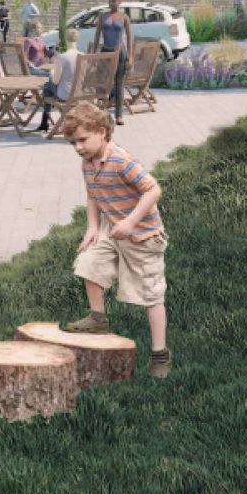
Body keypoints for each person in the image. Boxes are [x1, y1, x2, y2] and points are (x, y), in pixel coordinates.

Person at [59, 102, 171, 380]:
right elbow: (93, 195)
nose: (78, 148)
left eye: (82, 140)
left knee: (150, 294)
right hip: (112, 228)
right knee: (89, 263)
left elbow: (153, 190)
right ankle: (98, 319)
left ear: (101, 132)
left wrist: (131, 221)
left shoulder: (121, 160)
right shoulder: (87, 163)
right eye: (73, 143)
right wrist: (93, 227)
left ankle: (160, 353)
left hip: (142, 235)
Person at [94, 0, 134, 124]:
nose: (112, 3)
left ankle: (119, 116)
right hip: (105, 51)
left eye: (115, 1)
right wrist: (94, 53)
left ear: (120, 2)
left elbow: (129, 38)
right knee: (101, 81)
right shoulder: (103, 16)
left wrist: (130, 56)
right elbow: (97, 35)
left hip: (119, 53)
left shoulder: (124, 17)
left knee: (119, 82)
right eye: (110, 1)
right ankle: (101, 111)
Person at [36, 43, 82, 134]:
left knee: (47, 86)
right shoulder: (84, 56)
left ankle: (45, 122)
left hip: (66, 95)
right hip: (81, 94)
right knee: (49, 86)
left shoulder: (63, 57)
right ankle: (60, 120)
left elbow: (55, 82)